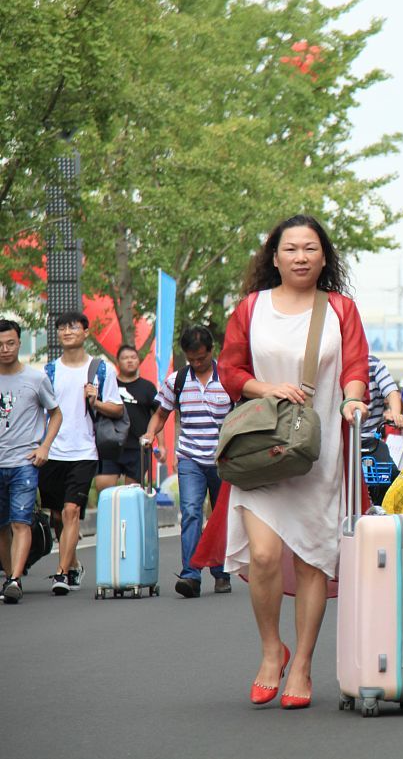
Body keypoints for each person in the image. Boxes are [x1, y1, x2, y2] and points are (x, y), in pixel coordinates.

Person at [203, 214, 369, 709]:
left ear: (324, 257)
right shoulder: (251, 308)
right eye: (291, 249)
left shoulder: (340, 309)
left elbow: (356, 366)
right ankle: (272, 649)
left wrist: (353, 399)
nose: (300, 257)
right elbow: (230, 369)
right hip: (262, 449)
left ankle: (303, 665)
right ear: (274, 257)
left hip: (320, 455)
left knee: (314, 559)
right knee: (265, 556)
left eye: (310, 249)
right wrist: (266, 387)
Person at [142, 326, 233, 598]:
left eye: (201, 359)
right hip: (190, 458)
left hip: (223, 459)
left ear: (211, 352)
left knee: (221, 518)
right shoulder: (177, 380)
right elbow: (161, 413)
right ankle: (191, 574)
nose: (196, 364)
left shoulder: (228, 378)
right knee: (192, 512)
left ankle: (220, 572)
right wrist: (150, 433)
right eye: (191, 359)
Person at [40, 311, 124, 595]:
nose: (67, 331)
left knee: (71, 510)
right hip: (53, 451)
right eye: (62, 327)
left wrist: (95, 401)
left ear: (86, 332)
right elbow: (41, 414)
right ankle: (73, 563)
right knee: (55, 516)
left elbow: (118, 408)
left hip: (84, 450)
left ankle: (61, 573)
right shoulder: (49, 371)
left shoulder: (100, 369)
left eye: (73, 327)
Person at [0, 319, 62, 602]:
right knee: (2, 527)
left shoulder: (36, 379)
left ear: (19, 342)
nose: (5, 349)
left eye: (11, 343)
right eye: (0, 345)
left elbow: (56, 414)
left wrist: (44, 447)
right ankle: (9, 574)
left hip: (24, 461)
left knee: (20, 523)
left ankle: (14, 580)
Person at [95, 344, 158, 493]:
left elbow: (158, 415)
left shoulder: (148, 387)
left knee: (132, 493)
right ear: (117, 362)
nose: (129, 361)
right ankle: (110, 517)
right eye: (125, 358)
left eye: (133, 357)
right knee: (104, 488)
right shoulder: (108, 385)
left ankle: (128, 517)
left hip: (137, 447)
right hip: (110, 444)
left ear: (138, 361)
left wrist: (160, 444)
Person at [363, 354, 403, 437]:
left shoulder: (374, 364)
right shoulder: (336, 363)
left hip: (373, 436)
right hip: (341, 437)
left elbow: (391, 392)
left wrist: (396, 414)